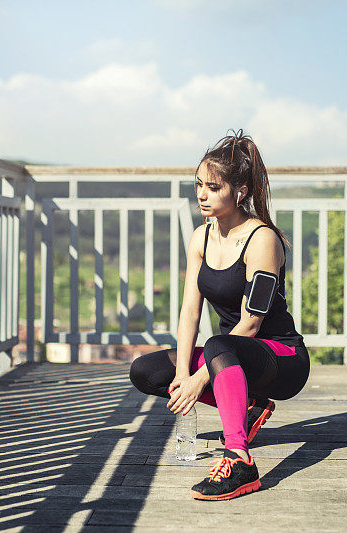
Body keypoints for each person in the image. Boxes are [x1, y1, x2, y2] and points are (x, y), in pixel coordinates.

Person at [129, 129, 310, 500]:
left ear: (239, 190)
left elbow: (252, 324)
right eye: (198, 184)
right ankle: (248, 404)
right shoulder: (202, 237)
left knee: (217, 345)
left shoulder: (262, 240)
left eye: (212, 187)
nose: (201, 194)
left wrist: (199, 379)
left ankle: (240, 459)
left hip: (280, 358)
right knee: (145, 372)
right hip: (229, 356)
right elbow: (189, 310)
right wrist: (182, 374)